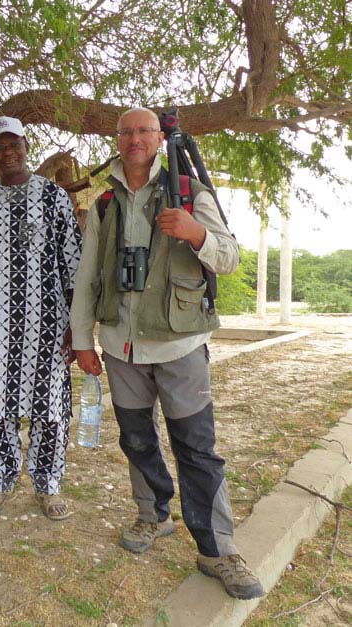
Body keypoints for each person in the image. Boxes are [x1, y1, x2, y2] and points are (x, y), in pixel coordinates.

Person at [70, 107, 265, 600]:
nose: (134, 138)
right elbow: (87, 275)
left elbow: (230, 255)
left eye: (144, 131)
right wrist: (81, 340)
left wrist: (196, 233)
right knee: (136, 440)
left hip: (179, 343)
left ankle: (217, 548)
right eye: (126, 131)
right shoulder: (105, 203)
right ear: (118, 139)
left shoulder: (189, 192)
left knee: (196, 447)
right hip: (120, 345)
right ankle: (152, 514)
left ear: (159, 138)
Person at [0, 116, 82, 520]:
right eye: (0, 147)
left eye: (14, 144)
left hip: (48, 322)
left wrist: (74, 324)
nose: (8, 152)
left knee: (49, 406)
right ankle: (1, 479)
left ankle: (48, 485)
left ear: (26, 147)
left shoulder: (52, 197)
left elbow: (72, 263)